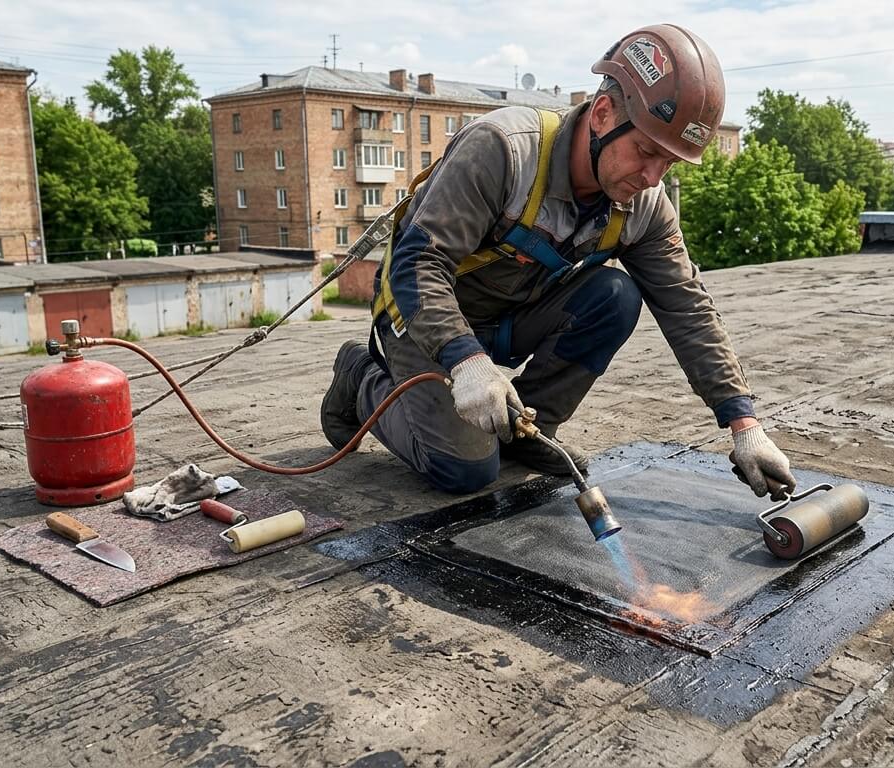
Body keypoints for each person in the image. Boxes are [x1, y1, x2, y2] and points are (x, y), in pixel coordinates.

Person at [321, 24, 796, 500]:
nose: (653, 177)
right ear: (604, 114)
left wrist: (743, 424)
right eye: (647, 151)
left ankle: (528, 428)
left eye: (669, 163)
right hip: (425, 316)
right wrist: (464, 360)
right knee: (463, 472)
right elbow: (419, 263)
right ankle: (360, 377)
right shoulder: (504, 150)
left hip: (509, 318)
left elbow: (687, 307)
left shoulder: (644, 205)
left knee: (615, 295)